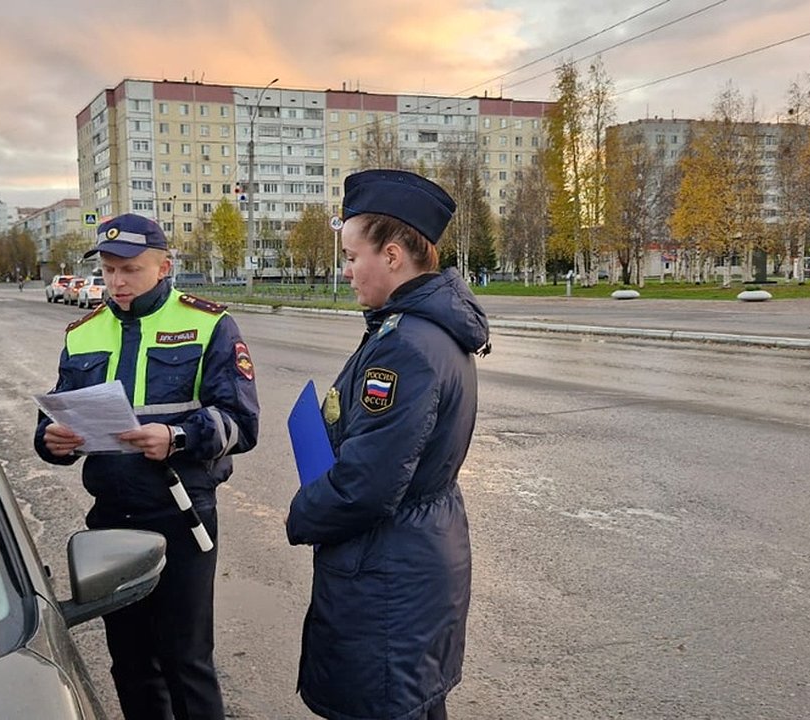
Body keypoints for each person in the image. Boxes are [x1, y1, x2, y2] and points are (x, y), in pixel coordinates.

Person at [34, 213, 259, 720]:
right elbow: (48, 426)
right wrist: (55, 441)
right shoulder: (83, 333)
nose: (117, 282)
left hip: (182, 515)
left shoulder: (210, 325)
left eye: (130, 269)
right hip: (112, 518)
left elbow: (242, 424)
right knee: (130, 663)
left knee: (186, 660)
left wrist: (177, 437)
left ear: (164, 266)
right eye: (109, 270)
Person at [285, 170, 490, 720]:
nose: (346, 271)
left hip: (387, 580)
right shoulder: (417, 330)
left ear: (393, 256)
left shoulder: (405, 345)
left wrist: (303, 513)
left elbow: (367, 485)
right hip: (412, 563)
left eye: (353, 257)